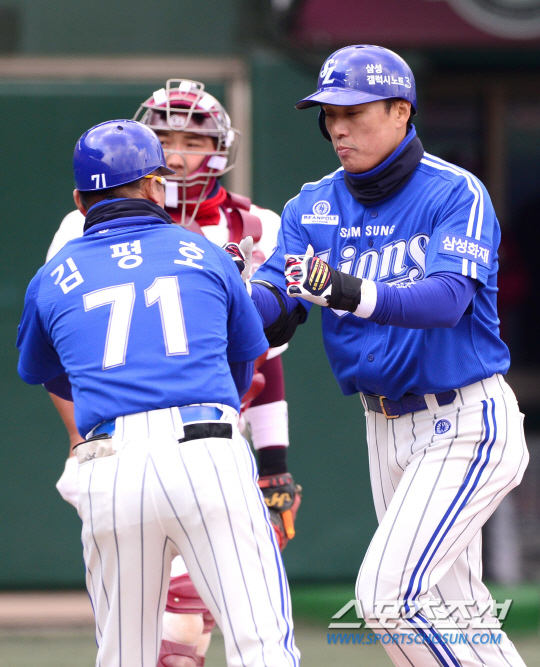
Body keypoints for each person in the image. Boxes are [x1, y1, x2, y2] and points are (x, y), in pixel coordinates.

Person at [248, 45, 529, 667]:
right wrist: (233, 299)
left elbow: (447, 299)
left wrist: (346, 289)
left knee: (388, 599)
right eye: (329, 114)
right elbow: (279, 300)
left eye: (353, 111)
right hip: (384, 426)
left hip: (465, 419)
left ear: (401, 111)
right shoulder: (312, 205)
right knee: (461, 620)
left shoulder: (455, 191)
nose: (337, 128)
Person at [17, 119, 300, 667]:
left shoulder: (53, 274)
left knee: (125, 654)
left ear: (79, 200)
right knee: (261, 643)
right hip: (207, 447)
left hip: (108, 461)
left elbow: (48, 373)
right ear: (155, 186)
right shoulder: (206, 252)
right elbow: (248, 358)